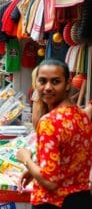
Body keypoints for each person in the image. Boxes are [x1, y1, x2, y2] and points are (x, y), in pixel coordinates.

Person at [16, 59, 92, 209]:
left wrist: (27, 160)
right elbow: (66, 160)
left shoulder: (49, 122)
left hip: (54, 202)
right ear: (35, 83)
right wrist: (34, 170)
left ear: (68, 84)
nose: (48, 87)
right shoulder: (82, 116)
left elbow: (49, 181)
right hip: (81, 199)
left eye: (56, 82)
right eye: (42, 81)